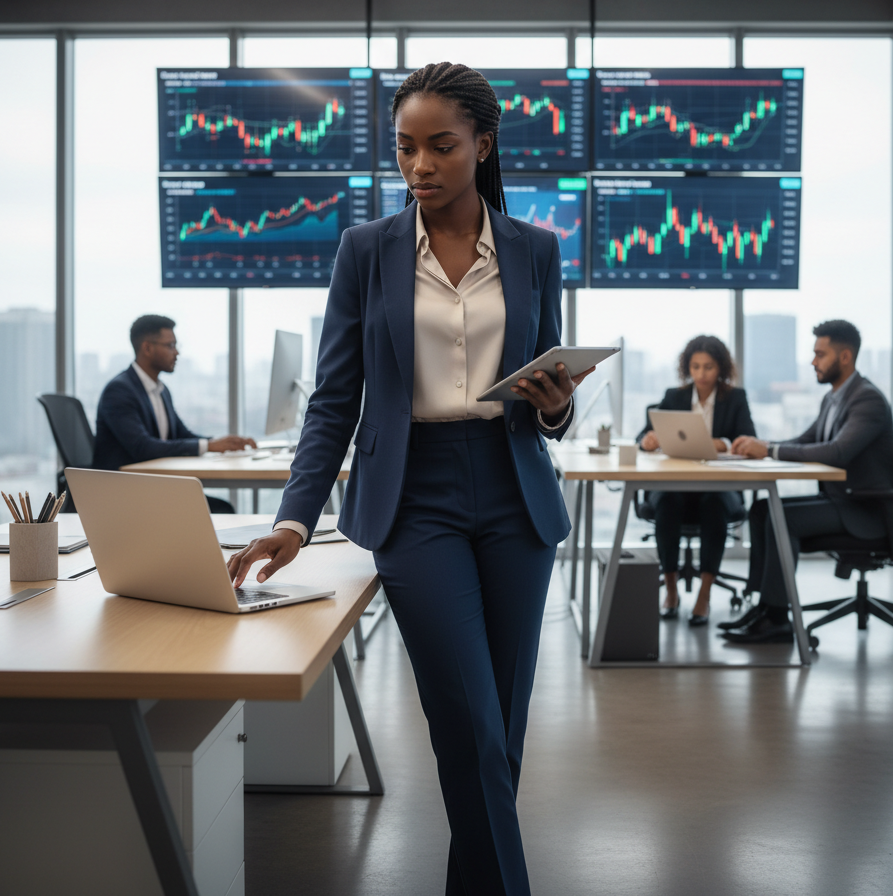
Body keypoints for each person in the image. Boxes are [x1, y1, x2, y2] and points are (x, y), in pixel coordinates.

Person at [226, 63, 594, 896]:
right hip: (414, 497)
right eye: (404, 148)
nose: (419, 165)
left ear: (482, 146)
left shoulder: (536, 250)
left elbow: (553, 402)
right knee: (466, 716)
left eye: (441, 146)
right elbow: (334, 399)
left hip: (514, 492)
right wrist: (294, 517)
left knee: (498, 730)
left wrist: (555, 405)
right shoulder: (367, 251)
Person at [724, 319, 893, 644]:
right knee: (763, 510)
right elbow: (805, 440)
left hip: (866, 509)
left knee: (783, 519)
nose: (813, 361)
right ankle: (763, 606)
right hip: (841, 500)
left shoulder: (867, 400)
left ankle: (777, 619)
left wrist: (771, 450)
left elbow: (837, 452)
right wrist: (760, 447)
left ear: (845, 357)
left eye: (820, 354)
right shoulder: (834, 398)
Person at [637, 335, 755, 625]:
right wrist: (648, 441)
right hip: (675, 488)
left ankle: (704, 594)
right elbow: (641, 437)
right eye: (695, 366)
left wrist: (723, 443)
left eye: (709, 367)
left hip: (719, 489)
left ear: (721, 369)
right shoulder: (674, 397)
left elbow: (748, 439)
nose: (701, 374)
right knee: (666, 500)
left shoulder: (735, 398)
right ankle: (672, 590)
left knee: (713, 503)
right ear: (687, 367)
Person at [93, 314, 256, 513]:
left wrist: (221, 444)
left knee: (222, 508)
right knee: (222, 509)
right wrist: (210, 445)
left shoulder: (161, 390)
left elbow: (181, 434)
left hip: (152, 486)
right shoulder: (119, 391)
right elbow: (142, 447)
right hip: (126, 494)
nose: (176, 352)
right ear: (147, 348)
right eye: (170, 346)